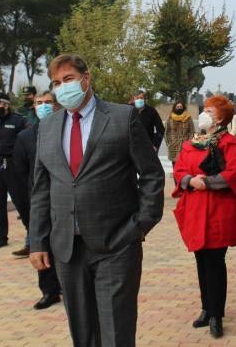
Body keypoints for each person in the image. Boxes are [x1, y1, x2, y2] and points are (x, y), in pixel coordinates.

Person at [29, 53, 165, 347]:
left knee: (116, 331)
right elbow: (41, 188)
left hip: (116, 243)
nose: (62, 87)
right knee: (82, 331)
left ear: (85, 79)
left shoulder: (121, 117)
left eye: (68, 79)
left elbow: (152, 175)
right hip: (67, 247)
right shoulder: (48, 127)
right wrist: (37, 241)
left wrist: (140, 225)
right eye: (56, 82)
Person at [172, 95, 236, 339]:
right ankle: (206, 309)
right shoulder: (192, 143)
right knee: (201, 260)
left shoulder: (229, 144)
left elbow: (234, 173)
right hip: (195, 210)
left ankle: (216, 315)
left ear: (220, 117)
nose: (204, 113)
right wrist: (189, 180)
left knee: (215, 262)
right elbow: (179, 170)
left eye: (208, 110)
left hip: (218, 211)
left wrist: (207, 183)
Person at [12, 90, 62, 310]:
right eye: (39, 103)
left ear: (57, 105)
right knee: (40, 246)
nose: (44, 106)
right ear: (33, 106)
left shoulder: (67, 132)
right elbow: (20, 173)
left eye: (48, 102)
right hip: (38, 203)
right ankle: (49, 291)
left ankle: (68, 287)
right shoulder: (25, 137)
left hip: (65, 201)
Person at [0, 92, 30, 251]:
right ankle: (0, 236)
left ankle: (31, 234)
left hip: (13, 165)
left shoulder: (18, 120)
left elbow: (24, 143)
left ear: (6, 104)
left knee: (21, 201)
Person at [163, 99, 195, 173]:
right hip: (174, 146)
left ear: (183, 107)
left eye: (181, 106)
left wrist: (189, 142)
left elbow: (192, 131)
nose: (179, 108)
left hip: (185, 146)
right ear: (174, 107)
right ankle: (176, 184)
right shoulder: (170, 118)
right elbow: (167, 132)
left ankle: (183, 183)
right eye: (178, 107)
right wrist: (169, 144)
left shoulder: (188, 117)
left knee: (185, 168)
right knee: (175, 169)